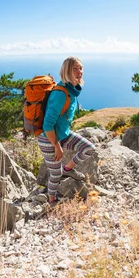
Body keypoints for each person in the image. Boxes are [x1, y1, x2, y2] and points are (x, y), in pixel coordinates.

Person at [37, 56, 96, 205]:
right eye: (75, 68)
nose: (79, 71)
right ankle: (52, 201)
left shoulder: (72, 91)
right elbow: (47, 125)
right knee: (56, 173)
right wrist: (57, 146)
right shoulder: (61, 93)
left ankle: (68, 168)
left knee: (88, 148)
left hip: (63, 135)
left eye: (81, 68)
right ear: (66, 71)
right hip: (48, 139)